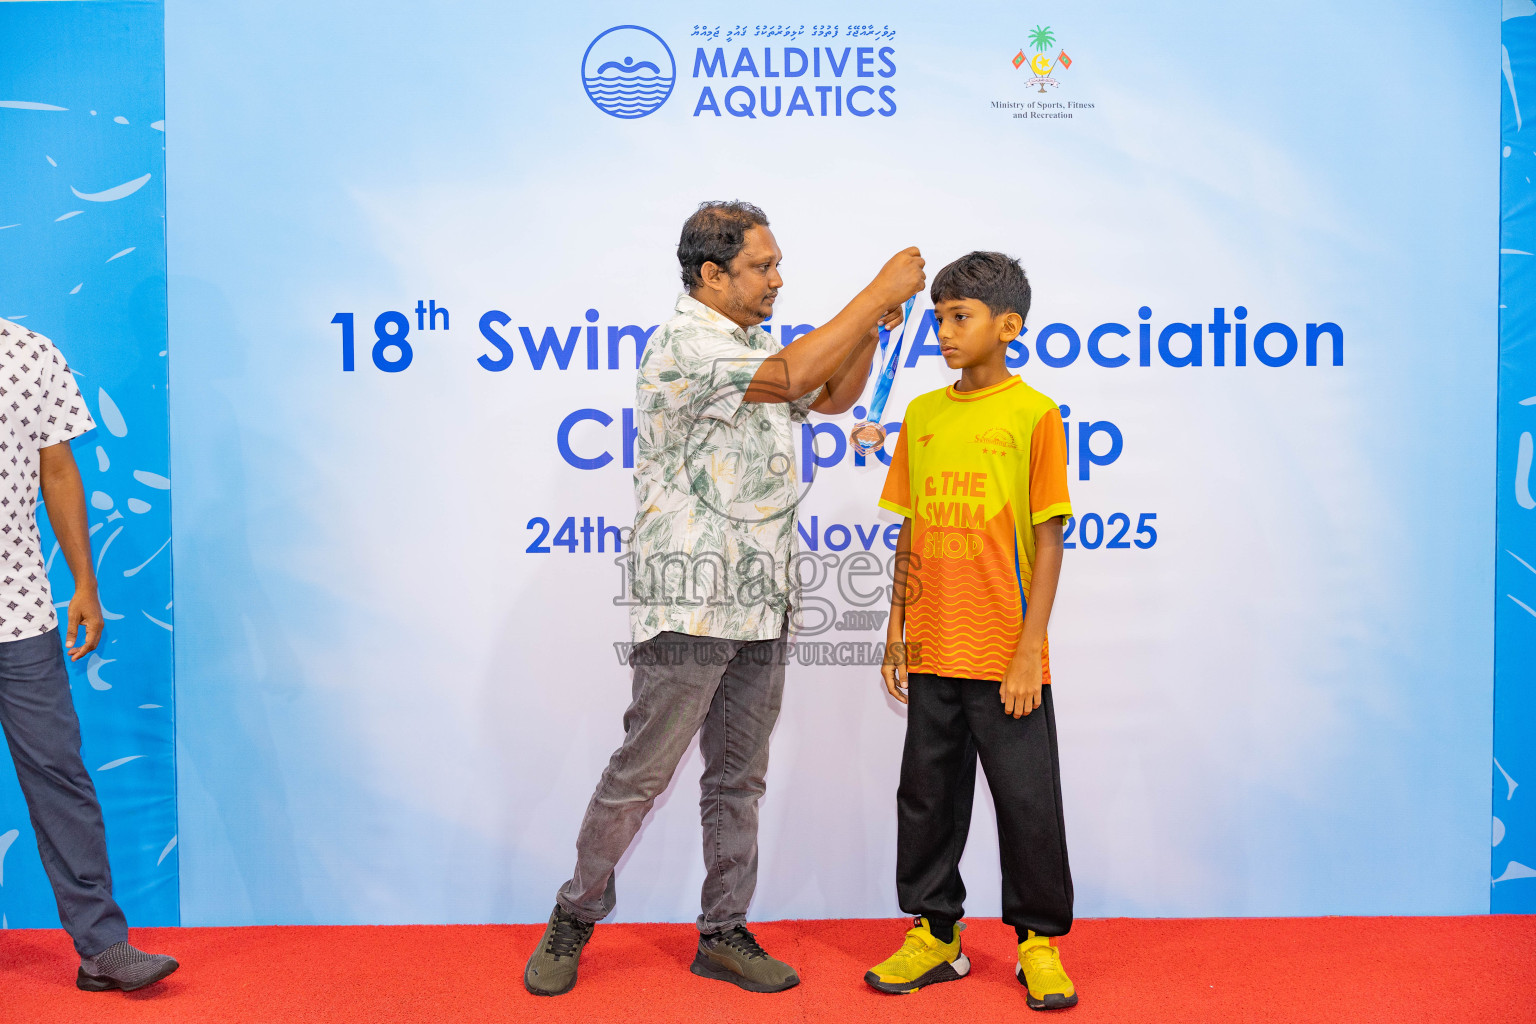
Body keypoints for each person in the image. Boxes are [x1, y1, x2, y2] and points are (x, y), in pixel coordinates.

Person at [523, 202, 924, 996]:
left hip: (761, 598)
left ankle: (722, 932)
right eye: (762, 266)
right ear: (712, 274)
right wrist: (874, 294)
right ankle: (573, 915)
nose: (778, 278)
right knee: (643, 772)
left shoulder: (754, 345)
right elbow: (796, 377)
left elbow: (833, 395)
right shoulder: (686, 344)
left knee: (739, 778)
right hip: (691, 602)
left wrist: (873, 328)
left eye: (777, 265)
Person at [867, 253, 1078, 1010]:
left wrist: (1029, 648)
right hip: (933, 642)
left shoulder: (1035, 414)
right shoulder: (922, 415)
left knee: (1027, 800)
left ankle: (1038, 943)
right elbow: (911, 528)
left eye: (961, 317)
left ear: (1008, 326)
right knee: (925, 797)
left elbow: (1049, 537)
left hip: (1005, 653)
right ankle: (936, 933)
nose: (946, 332)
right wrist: (897, 626)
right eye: (939, 318)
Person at [0, 318, 179, 992]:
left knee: (59, 775)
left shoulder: (31, 352)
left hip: (18, 610)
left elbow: (56, 467)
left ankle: (103, 947)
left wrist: (85, 582)